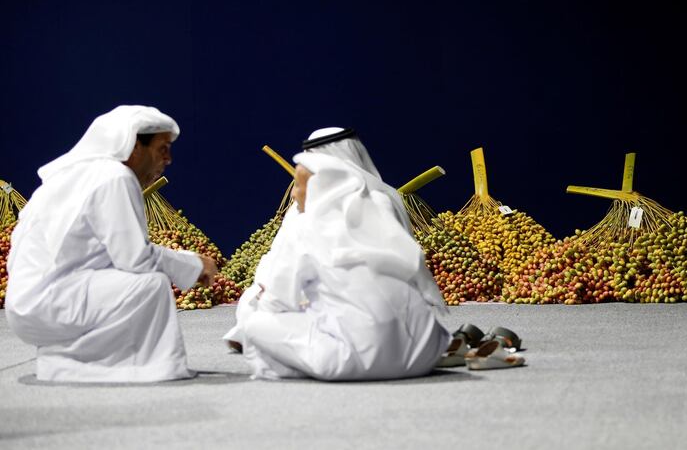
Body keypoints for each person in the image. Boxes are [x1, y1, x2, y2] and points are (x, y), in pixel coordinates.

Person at [5, 105, 218, 382]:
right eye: (162, 148)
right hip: (48, 303)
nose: (169, 159)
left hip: (30, 305)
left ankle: (64, 360)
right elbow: (136, 259)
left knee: (135, 280)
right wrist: (193, 264)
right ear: (132, 147)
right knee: (150, 284)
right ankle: (128, 367)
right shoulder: (115, 176)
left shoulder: (77, 174)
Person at [224, 127, 451, 380]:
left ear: (317, 182)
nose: (294, 192)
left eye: (298, 184)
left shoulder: (305, 219)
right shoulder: (386, 200)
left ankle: (282, 361)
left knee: (254, 314)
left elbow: (278, 295)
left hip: (357, 357)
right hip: (425, 352)